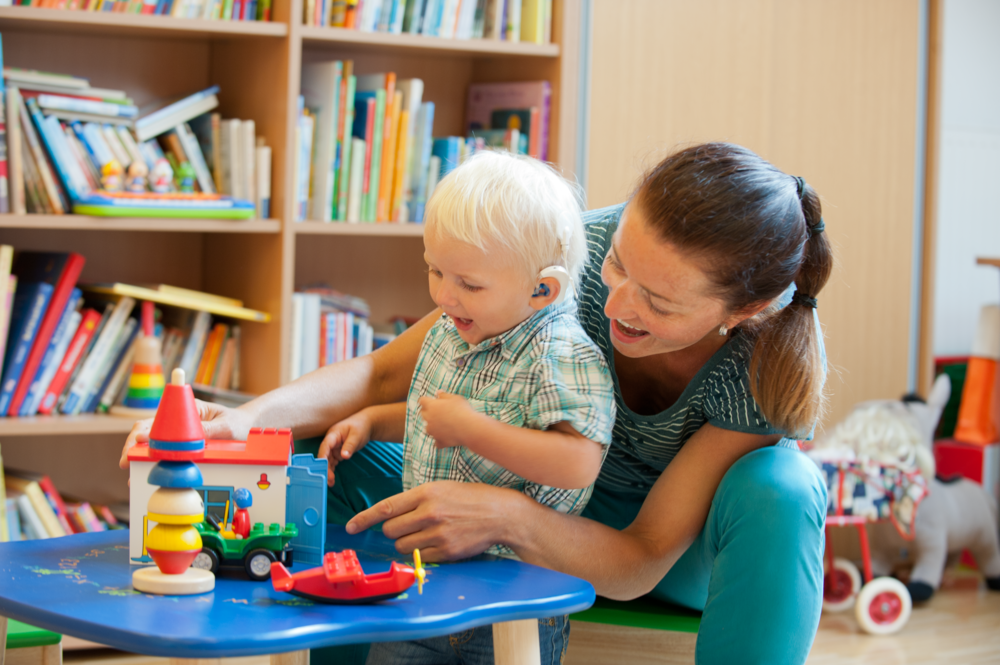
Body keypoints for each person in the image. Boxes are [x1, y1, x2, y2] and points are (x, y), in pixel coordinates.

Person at [121, 142, 831, 665]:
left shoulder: (764, 364)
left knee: (783, 485)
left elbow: (640, 556)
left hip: (661, 547)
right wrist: (244, 420)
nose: (615, 302)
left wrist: (510, 516)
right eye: (618, 263)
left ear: (747, 310)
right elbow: (381, 377)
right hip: (519, 482)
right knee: (325, 453)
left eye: (659, 301)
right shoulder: (567, 257)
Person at [333, 151, 616, 664]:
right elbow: (436, 419)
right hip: (424, 575)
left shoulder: (560, 353)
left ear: (541, 289)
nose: (444, 295)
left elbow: (578, 463)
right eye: (435, 270)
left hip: (515, 595)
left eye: (469, 284)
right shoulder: (453, 329)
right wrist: (373, 420)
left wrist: (471, 428)